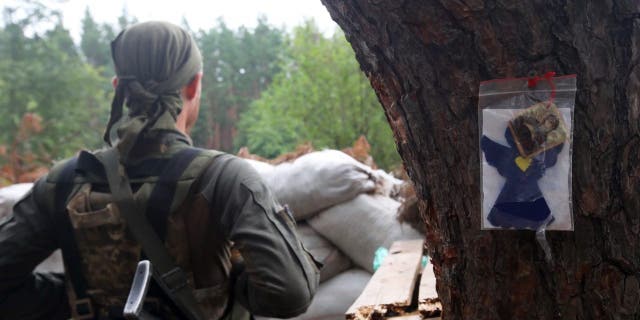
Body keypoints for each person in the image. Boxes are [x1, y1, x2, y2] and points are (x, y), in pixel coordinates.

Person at [0, 21, 319, 320]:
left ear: (119, 88)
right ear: (194, 86)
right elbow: (289, 294)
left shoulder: (64, 181)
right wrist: (228, 284)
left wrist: (76, 299)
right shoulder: (222, 178)